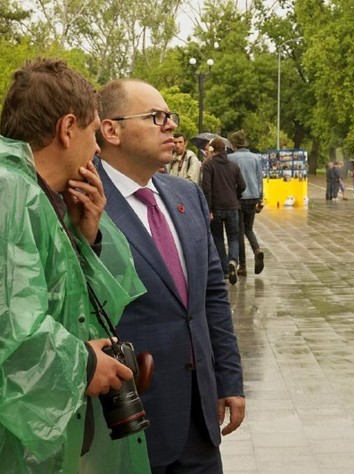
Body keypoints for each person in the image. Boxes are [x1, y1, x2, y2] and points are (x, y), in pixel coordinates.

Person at [0, 58, 150, 472]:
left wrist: (84, 236)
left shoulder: (34, 195)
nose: (98, 149)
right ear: (67, 128)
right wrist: (81, 365)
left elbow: (70, 308)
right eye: (93, 133)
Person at [95, 78, 245, 472]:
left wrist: (228, 379)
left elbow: (212, 297)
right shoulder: (83, 201)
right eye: (156, 117)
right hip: (128, 424)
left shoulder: (186, 195)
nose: (171, 126)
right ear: (111, 130)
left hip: (200, 421)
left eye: (170, 116)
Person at [201, 137, 246, 285]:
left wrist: (208, 209)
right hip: (232, 206)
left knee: (218, 238)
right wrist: (235, 195)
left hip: (216, 208)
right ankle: (233, 260)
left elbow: (206, 188)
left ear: (212, 150)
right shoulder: (233, 166)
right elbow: (242, 185)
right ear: (224, 149)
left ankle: (225, 270)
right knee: (234, 237)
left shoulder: (208, 166)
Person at [228, 129, 266, 277]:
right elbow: (259, 179)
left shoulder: (231, 158)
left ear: (234, 143)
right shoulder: (255, 158)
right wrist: (260, 199)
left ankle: (242, 266)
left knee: (239, 232)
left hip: (238, 197)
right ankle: (256, 249)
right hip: (253, 196)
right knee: (248, 228)